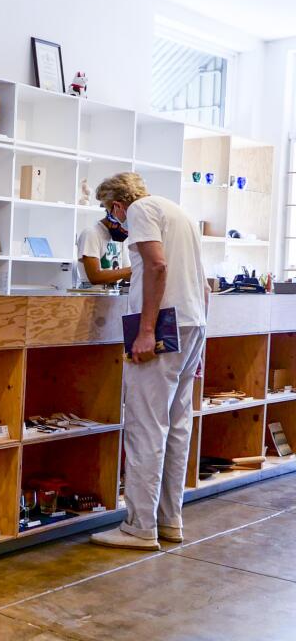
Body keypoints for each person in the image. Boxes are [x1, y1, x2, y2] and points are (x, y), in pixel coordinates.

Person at [90, 172, 208, 551]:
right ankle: (169, 520)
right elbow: (204, 284)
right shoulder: (179, 213)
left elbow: (156, 266)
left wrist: (146, 330)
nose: (116, 220)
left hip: (162, 325)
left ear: (116, 205)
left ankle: (139, 526)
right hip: (192, 323)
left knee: (146, 424)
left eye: (112, 212)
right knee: (176, 424)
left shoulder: (140, 211)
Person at [77, 212, 131, 286]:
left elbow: (127, 274)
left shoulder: (118, 238)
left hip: (113, 292)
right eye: (126, 225)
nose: (126, 230)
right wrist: (133, 270)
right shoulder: (91, 233)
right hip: (92, 293)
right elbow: (95, 277)